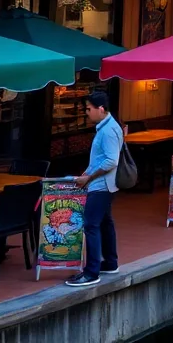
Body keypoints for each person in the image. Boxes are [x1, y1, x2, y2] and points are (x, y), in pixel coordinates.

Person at [66, 91, 122, 287]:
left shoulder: (108, 130)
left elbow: (110, 161)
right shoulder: (107, 127)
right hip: (103, 183)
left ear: (101, 109)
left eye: (88, 109)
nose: (86, 112)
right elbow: (103, 159)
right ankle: (110, 262)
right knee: (105, 222)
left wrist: (89, 177)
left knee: (91, 225)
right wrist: (87, 174)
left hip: (102, 185)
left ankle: (91, 272)